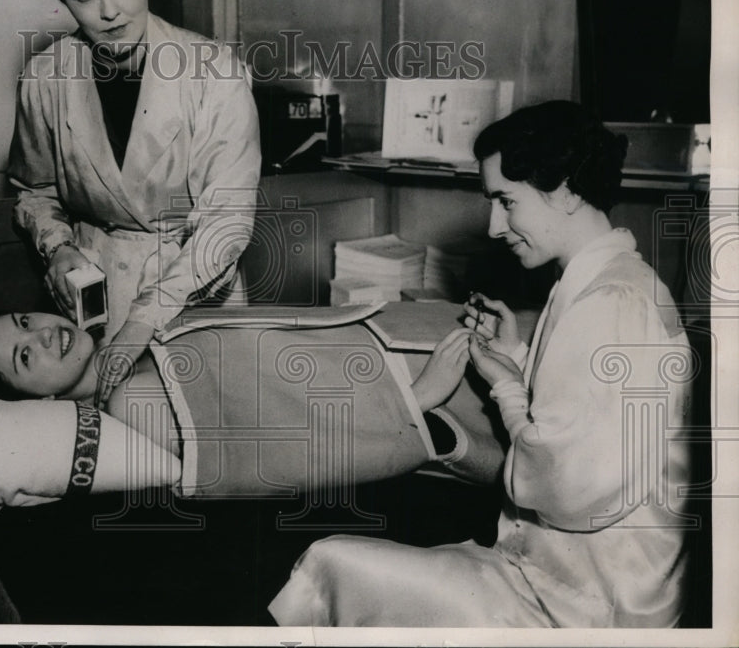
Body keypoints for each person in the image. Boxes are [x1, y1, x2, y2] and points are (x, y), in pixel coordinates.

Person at [268, 101, 695, 628]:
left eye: (506, 201)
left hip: (586, 605)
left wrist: (509, 388)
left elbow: (568, 487)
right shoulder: (608, 280)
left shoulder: (611, 302)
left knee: (327, 563)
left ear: (564, 190)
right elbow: (591, 422)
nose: (495, 226)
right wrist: (517, 354)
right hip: (574, 576)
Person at [7, 0, 261, 405]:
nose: (109, 11)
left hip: (194, 292)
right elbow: (34, 191)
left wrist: (144, 320)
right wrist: (58, 248)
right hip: (92, 300)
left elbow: (226, 222)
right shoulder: (45, 77)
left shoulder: (214, 73)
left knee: (196, 435)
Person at [0, 304, 510, 521]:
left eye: (23, 321)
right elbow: (285, 457)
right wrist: (417, 401)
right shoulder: (131, 405)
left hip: (408, 340)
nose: (42, 334)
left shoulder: (132, 335)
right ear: (38, 403)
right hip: (420, 390)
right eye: (24, 356)